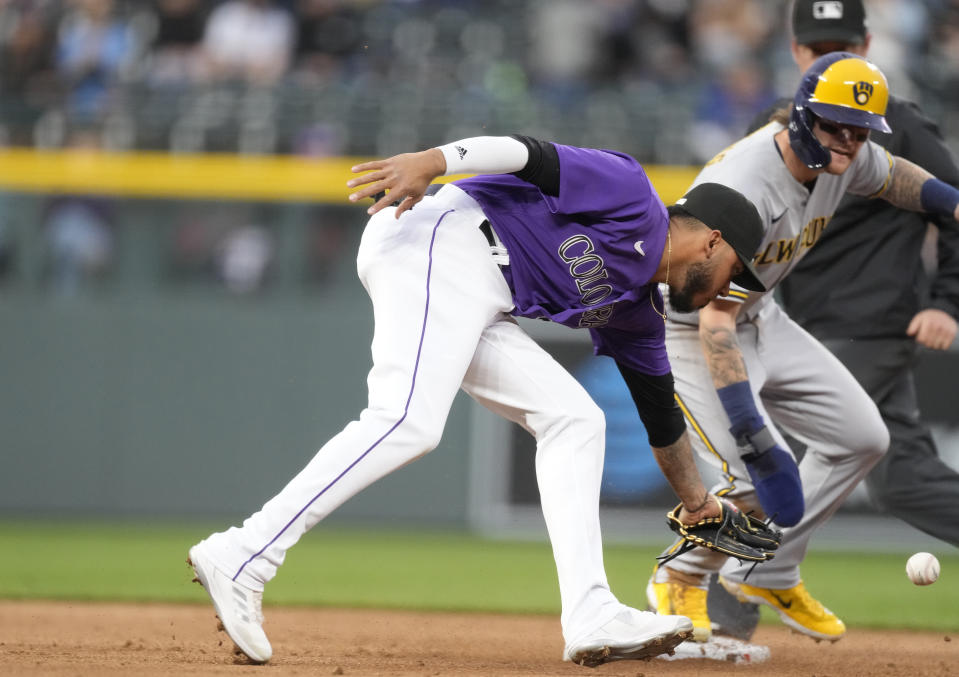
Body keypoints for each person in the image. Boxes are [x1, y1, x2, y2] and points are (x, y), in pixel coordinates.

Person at [187, 134, 771, 666]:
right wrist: (434, 162)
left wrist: (699, 504)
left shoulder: (640, 311)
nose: (729, 288)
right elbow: (525, 154)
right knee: (407, 422)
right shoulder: (631, 194)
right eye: (734, 271)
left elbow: (660, 414)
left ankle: (591, 612)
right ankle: (244, 555)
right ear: (713, 240)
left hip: (481, 293)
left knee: (576, 420)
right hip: (443, 237)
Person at [646, 50, 959, 645]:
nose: (848, 141)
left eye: (859, 130)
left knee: (862, 437)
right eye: (835, 125)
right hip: (690, 329)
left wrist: (954, 201)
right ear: (800, 116)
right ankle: (679, 576)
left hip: (757, 313)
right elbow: (713, 318)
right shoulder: (745, 188)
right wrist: (755, 435)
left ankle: (768, 570)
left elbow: (896, 179)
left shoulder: (846, 157)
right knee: (743, 485)